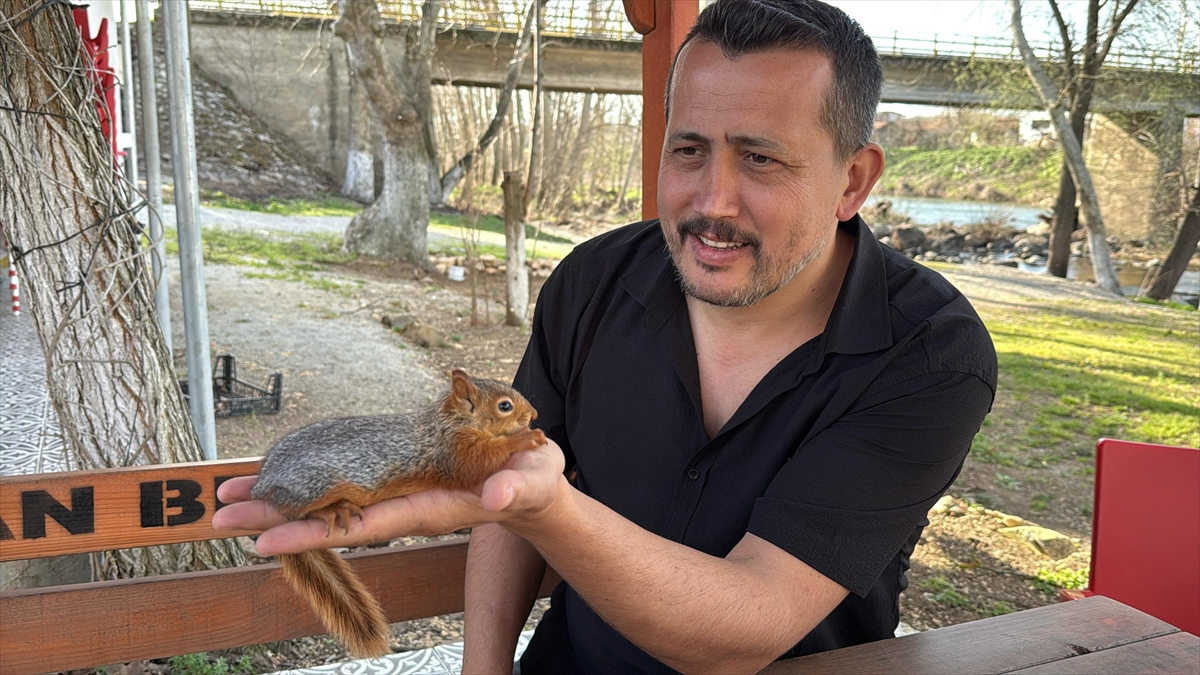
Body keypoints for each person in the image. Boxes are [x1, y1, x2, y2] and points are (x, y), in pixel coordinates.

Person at [213, 0, 997, 672]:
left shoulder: (930, 354)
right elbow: (507, 504)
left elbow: (745, 626)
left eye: (760, 159)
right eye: (689, 150)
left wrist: (543, 505)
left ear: (853, 180)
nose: (711, 201)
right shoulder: (593, 281)